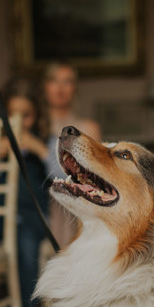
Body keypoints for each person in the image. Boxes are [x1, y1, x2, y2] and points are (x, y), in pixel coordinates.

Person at [0, 77, 51, 307]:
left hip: (31, 219)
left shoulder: (45, 140)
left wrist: (40, 150)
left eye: (26, 115)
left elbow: (63, 176)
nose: (18, 122)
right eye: (12, 114)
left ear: (36, 116)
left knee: (25, 248)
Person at [42, 61, 102, 246]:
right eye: (54, 80)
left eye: (67, 81)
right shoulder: (35, 125)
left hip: (77, 201)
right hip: (40, 199)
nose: (60, 88)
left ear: (74, 88)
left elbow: (94, 175)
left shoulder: (88, 128)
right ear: (45, 86)